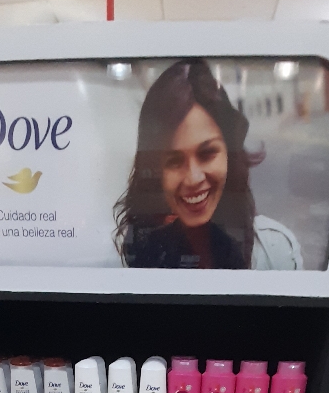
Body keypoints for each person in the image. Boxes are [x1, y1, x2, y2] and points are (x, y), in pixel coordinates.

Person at [114, 59, 302, 271]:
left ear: (229, 154)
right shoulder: (143, 252)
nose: (193, 178)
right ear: (156, 172)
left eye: (207, 154)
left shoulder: (274, 252)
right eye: (174, 161)